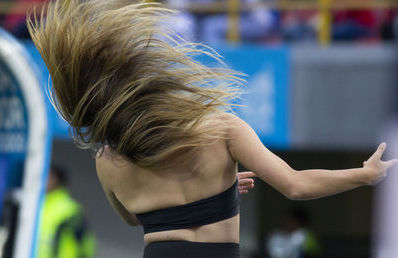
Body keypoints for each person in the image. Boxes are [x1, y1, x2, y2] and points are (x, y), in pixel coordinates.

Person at [27, 1, 398, 257]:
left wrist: (214, 195)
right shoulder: (219, 127)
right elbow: (295, 185)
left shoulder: (107, 160)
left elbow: (132, 216)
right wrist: (365, 175)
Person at [37, 165, 95, 258]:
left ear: (57, 181)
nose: (43, 181)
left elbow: (84, 243)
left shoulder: (69, 209)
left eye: (48, 177)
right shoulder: (37, 205)